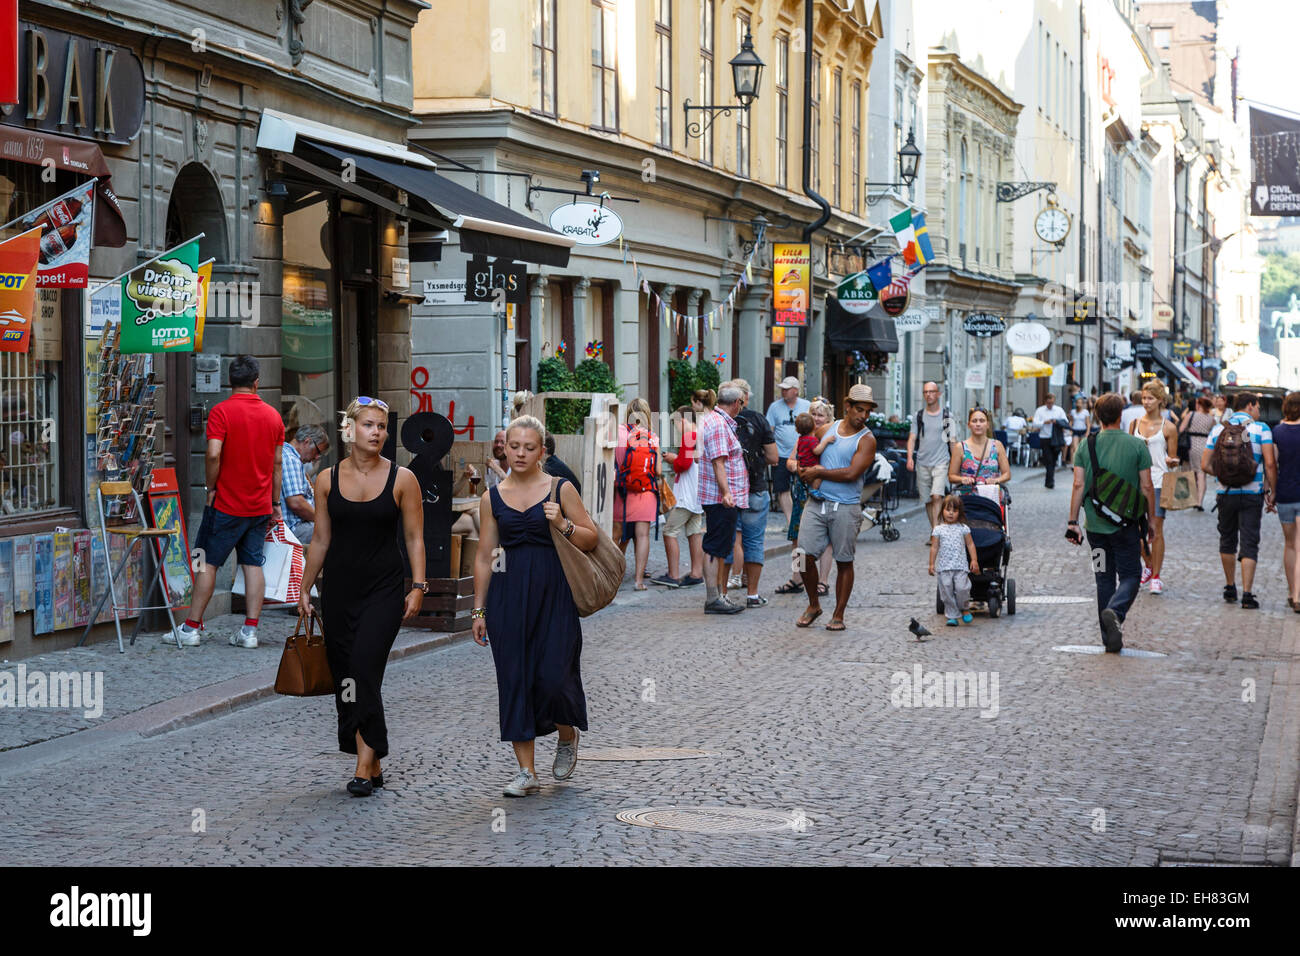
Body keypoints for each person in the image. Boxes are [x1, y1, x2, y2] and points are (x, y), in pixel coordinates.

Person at [296, 396, 427, 797]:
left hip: (384, 591)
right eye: (369, 425)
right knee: (346, 677)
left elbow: (414, 537)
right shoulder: (326, 480)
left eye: (382, 427)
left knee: (365, 669)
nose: (377, 433)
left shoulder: (403, 479)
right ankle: (373, 758)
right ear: (349, 430)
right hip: (338, 592)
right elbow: (320, 539)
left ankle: (361, 767)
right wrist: (304, 586)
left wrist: (419, 585)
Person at [472, 415, 597, 798]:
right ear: (504, 448)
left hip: (554, 593)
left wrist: (563, 524)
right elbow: (486, 555)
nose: (521, 454)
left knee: (555, 675)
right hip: (508, 596)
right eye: (515, 447)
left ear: (542, 451)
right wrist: (479, 610)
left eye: (529, 447)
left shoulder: (560, 489)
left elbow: (592, 539)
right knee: (514, 679)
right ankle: (527, 772)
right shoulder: (491, 497)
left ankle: (566, 732)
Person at [172, 355, 285, 649]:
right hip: (260, 505)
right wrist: (275, 503)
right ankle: (249, 631)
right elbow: (277, 465)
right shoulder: (274, 416)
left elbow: (213, 453)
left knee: (207, 562)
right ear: (257, 382)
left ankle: (191, 627)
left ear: (229, 381)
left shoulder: (222, 412)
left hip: (226, 503)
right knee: (252, 563)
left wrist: (211, 485)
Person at [1067, 392, 1156, 653]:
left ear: (1097, 416)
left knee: (1103, 577)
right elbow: (1147, 486)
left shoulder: (1086, 445)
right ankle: (1115, 612)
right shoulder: (1137, 445)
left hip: (1094, 527)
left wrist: (1073, 521)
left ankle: (1108, 639)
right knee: (1131, 574)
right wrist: (1151, 521)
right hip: (1127, 526)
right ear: (1121, 415)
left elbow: (1078, 484)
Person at [794, 384, 878, 631]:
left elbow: (852, 473)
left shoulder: (867, 439)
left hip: (846, 507)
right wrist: (801, 468)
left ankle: (838, 614)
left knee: (844, 560)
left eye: (867, 412)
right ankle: (813, 605)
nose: (863, 416)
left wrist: (819, 471)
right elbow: (803, 451)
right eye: (859, 410)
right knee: (800, 557)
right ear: (848, 406)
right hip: (816, 502)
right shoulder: (827, 429)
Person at [1202, 391, 1277, 609]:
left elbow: (1204, 464)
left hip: (1226, 494)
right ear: (1251, 406)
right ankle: (1247, 593)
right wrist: (1271, 489)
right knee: (1249, 542)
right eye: (1258, 406)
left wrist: (1222, 475)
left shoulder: (1219, 429)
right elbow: (1270, 463)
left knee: (1227, 539)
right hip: (1252, 493)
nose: (1259, 411)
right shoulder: (1261, 429)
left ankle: (1229, 586)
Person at [698, 383, 749, 613]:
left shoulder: (715, 420)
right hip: (720, 498)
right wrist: (727, 493)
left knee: (719, 546)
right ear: (737, 403)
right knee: (715, 546)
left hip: (720, 496)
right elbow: (719, 462)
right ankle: (713, 598)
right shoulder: (718, 424)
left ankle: (718, 595)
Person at [775, 401, 834, 597]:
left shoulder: (830, 437)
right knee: (797, 538)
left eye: (821, 415)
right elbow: (791, 461)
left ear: (828, 418)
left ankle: (823, 581)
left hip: (823, 491)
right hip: (802, 492)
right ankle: (797, 577)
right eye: (814, 414)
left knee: (826, 538)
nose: (817, 418)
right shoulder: (803, 438)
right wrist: (797, 467)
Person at [730, 379, 779, 607]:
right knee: (754, 542)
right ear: (745, 398)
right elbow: (774, 457)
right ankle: (752, 594)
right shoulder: (759, 419)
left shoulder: (721, 420)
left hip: (728, 490)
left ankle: (721, 593)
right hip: (755, 487)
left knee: (728, 540)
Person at [1130, 380, 1180, 594]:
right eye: (1144, 398)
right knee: (1133, 531)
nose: (1146, 402)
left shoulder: (1168, 427)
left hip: (1159, 481)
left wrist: (1172, 461)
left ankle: (1156, 576)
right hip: (1135, 482)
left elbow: (1174, 456)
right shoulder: (1134, 423)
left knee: (1156, 530)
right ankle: (1148, 564)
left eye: (1150, 398)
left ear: (1160, 400)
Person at [652, 398, 708, 589]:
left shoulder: (689, 436)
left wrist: (672, 459)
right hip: (698, 493)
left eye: (675, 423)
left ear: (682, 420)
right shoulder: (699, 434)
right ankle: (696, 572)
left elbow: (683, 464)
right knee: (694, 532)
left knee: (669, 531)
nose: (675, 428)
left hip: (687, 494)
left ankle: (673, 575)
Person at [613, 398, 660, 590]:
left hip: (622, 490)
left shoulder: (618, 432)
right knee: (642, 536)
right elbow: (656, 470)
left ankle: (612, 578)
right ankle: (639, 581)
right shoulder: (652, 436)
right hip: (645, 492)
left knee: (616, 536)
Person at [906, 382, 955, 533]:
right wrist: (909, 458)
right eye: (926, 392)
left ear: (938, 394)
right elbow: (912, 438)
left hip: (941, 461)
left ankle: (936, 534)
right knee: (927, 500)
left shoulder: (947, 416)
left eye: (932, 392)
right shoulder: (919, 416)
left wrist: (956, 463)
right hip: (922, 462)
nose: (929, 395)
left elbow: (952, 440)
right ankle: (935, 529)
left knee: (937, 496)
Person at [929, 494, 981, 626]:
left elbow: (970, 544)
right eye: (948, 510)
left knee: (962, 588)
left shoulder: (963, 528)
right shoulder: (938, 529)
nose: (951, 513)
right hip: (944, 567)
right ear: (942, 511)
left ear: (959, 513)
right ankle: (952, 614)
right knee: (946, 591)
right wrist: (931, 563)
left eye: (954, 511)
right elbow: (934, 547)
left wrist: (974, 560)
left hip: (960, 566)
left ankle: (964, 608)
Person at [766, 376, 810, 529]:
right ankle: (791, 521)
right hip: (781, 454)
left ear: (796, 391)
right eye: (782, 389)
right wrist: (771, 454)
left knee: (804, 488)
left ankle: (803, 519)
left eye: (786, 389)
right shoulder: (774, 407)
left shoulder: (807, 406)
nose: (783, 391)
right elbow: (769, 431)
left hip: (802, 454)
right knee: (782, 489)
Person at [1272, 391, 1300, 611]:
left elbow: (1272, 465)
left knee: (1290, 545)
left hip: (1285, 494)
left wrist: (1271, 492)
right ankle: (1299, 595)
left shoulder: (1277, 432)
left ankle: (1292, 592)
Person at [281, 424, 329, 545]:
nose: (317, 457)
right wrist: (322, 519)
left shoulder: (292, 458)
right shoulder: (290, 459)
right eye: (317, 452)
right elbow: (296, 503)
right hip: (296, 528)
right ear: (307, 441)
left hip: (301, 525)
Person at [948, 407, 1011, 500]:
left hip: (991, 499)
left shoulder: (997, 445)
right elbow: (951, 476)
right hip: (968, 500)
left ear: (988, 424)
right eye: (974, 421)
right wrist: (962, 479)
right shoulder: (960, 447)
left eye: (982, 421)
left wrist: (996, 480)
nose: (978, 424)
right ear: (968, 424)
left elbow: (1007, 474)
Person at [1181, 396, 1216, 510]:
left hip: (1190, 445)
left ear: (1199, 405)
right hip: (1205, 446)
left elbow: (1181, 429)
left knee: (1190, 473)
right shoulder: (1211, 419)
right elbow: (1214, 432)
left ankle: (1192, 498)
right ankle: (1199, 502)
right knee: (1201, 474)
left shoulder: (1191, 415)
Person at [1031, 393, 1070, 488]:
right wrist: (1044, 422)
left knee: (1054, 459)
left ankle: (1049, 480)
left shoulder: (1059, 410)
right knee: (1048, 459)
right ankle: (1050, 482)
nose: (1050, 405)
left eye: (1052, 403)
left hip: (1056, 438)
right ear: (1045, 402)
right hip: (1045, 437)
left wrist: (1056, 421)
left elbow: (1066, 422)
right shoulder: (1040, 410)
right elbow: (1035, 423)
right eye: (1048, 403)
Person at [1068, 396, 1091, 466]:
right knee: (1075, 447)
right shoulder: (1073, 412)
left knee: (1083, 448)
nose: (1079, 404)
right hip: (1075, 430)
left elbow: (1088, 423)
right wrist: (1070, 430)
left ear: (1083, 404)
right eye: (1077, 403)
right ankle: (1074, 463)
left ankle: (1082, 462)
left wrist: (1087, 432)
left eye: (1080, 403)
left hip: (1083, 430)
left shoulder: (1085, 412)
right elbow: (1071, 422)